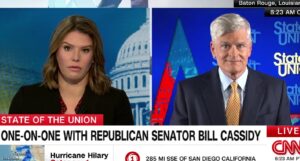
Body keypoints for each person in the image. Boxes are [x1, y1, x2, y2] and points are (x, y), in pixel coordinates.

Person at [9, 15, 134, 125]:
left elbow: (124, 151)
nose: (75, 57)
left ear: (94, 57)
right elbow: (13, 151)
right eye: (67, 48)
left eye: (85, 50)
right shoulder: (26, 99)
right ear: (55, 51)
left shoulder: (116, 101)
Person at [170, 13, 291, 125]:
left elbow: (285, 143)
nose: (233, 54)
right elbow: (177, 145)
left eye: (240, 46)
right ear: (213, 49)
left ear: (250, 49)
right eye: (225, 46)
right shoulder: (188, 91)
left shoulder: (275, 89)